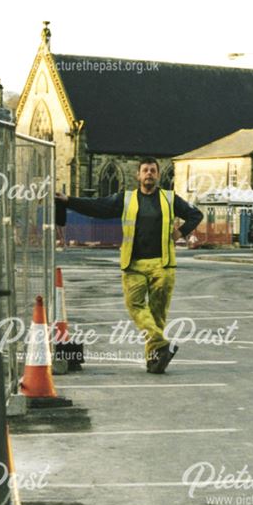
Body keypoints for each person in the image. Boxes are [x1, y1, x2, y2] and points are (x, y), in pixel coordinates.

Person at [55, 158, 203, 374]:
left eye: (153, 170)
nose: (149, 174)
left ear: (158, 175)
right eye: (145, 170)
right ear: (138, 175)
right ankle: (161, 343)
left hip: (162, 265)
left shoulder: (170, 199)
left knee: (157, 314)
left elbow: (195, 214)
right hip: (133, 264)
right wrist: (69, 200)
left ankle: (154, 360)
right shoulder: (126, 199)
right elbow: (98, 206)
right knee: (135, 305)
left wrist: (181, 232)